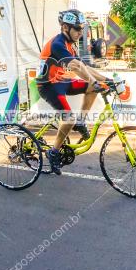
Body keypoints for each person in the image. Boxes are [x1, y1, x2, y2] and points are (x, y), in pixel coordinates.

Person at [36, 9, 110, 175]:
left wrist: (107, 80)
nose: (80, 32)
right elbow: (76, 68)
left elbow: (85, 67)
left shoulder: (71, 45)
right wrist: (94, 81)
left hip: (63, 81)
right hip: (48, 85)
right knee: (68, 118)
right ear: (65, 28)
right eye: (77, 29)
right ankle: (53, 151)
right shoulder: (58, 44)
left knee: (92, 89)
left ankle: (81, 122)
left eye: (82, 28)